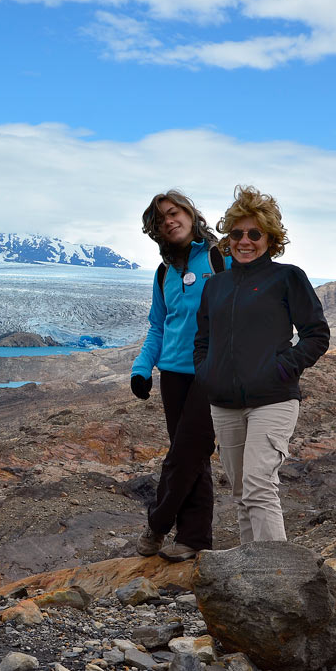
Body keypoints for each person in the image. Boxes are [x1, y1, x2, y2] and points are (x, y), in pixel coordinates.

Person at [193, 185, 330, 544]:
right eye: (237, 233)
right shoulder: (216, 287)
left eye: (254, 233)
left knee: (258, 487)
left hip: (273, 398)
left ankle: (278, 582)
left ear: (270, 237)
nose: (245, 241)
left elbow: (317, 334)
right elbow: (203, 340)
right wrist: (207, 373)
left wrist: (283, 367)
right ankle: (250, 583)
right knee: (241, 496)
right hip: (224, 403)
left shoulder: (287, 278)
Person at [130, 190, 227, 562]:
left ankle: (157, 524)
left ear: (189, 213)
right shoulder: (163, 272)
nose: (169, 221)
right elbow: (158, 326)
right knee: (194, 457)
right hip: (173, 374)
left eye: (174, 213)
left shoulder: (221, 258)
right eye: (160, 220)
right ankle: (194, 539)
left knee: (186, 450)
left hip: (212, 370)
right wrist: (142, 370)